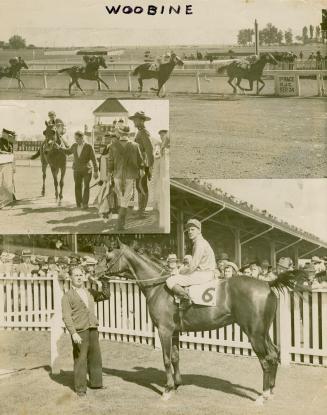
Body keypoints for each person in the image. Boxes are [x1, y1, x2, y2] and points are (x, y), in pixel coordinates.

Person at [61, 267, 110, 397]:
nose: (78, 277)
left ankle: (96, 383)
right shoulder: (67, 296)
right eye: (76, 275)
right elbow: (66, 316)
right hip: (79, 331)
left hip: (93, 328)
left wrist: (104, 282)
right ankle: (81, 388)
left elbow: (105, 296)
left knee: (95, 357)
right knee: (80, 359)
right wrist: (73, 333)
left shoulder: (89, 292)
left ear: (83, 276)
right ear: (70, 278)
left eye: (80, 275)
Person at [166, 219, 216, 303]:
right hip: (206, 273)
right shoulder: (202, 242)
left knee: (170, 280)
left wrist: (179, 271)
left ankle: (186, 299)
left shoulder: (199, 243)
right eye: (188, 230)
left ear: (199, 230)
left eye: (193, 229)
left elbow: (192, 266)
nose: (190, 232)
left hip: (202, 275)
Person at [108, 125, 144, 231]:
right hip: (130, 176)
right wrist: (141, 170)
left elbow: (110, 161)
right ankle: (120, 223)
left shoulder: (113, 146)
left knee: (121, 199)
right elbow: (140, 161)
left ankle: (120, 223)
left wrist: (110, 173)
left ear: (119, 133)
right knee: (125, 200)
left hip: (117, 175)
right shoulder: (135, 145)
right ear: (128, 134)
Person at [62, 131, 99, 209]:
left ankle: (85, 204)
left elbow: (94, 159)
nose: (76, 140)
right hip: (76, 170)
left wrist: (96, 171)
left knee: (86, 186)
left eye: (78, 139)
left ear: (82, 138)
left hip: (87, 170)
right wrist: (59, 148)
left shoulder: (89, 146)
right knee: (77, 186)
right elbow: (68, 152)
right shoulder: (74, 146)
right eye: (75, 139)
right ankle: (79, 204)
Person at [128, 111, 154, 218]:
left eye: (136, 119)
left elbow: (149, 150)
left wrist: (150, 167)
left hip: (143, 165)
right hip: (139, 164)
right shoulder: (140, 132)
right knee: (139, 187)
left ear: (142, 120)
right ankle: (140, 209)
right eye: (134, 119)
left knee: (142, 186)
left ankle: (142, 211)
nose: (134, 121)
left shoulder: (144, 132)